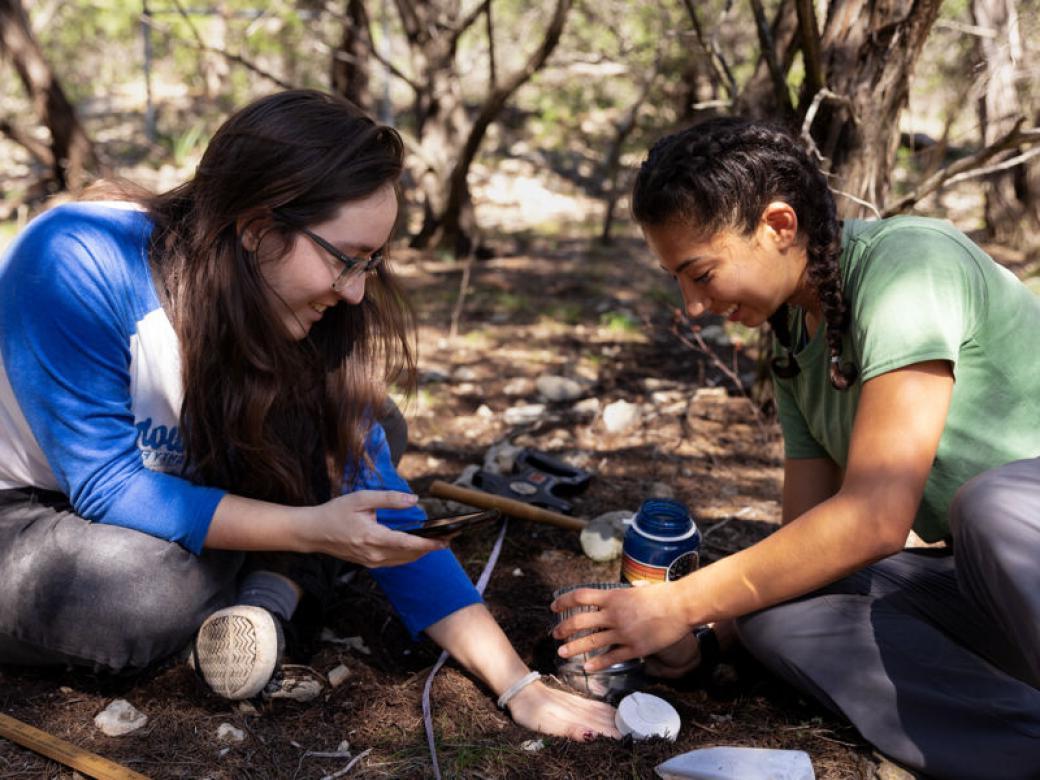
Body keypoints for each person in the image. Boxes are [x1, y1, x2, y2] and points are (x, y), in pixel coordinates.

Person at [0, 89, 617, 741]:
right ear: (259, 228)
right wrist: (307, 529)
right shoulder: (76, 257)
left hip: (172, 489)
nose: (354, 291)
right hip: (27, 508)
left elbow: (394, 515)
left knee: (373, 429)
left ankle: (265, 596)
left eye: (371, 264)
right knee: (152, 589)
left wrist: (518, 684)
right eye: (343, 259)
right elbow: (108, 487)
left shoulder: (294, 309)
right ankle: (275, 587)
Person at [552, 117, 1040, 776]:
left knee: (990, 506)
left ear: (779, 226)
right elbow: (813, 541)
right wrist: (693, 638)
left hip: (1018, 541)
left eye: (701, 273)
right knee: (774, 619)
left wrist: (678, 600)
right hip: (1000, 597)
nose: (692, 305)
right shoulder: (795, 343)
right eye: (678, 281)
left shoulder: (909, 267)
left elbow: (875, 517)